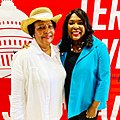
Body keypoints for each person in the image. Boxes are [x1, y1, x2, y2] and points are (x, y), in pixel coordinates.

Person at [10, 7, 66, 120]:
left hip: (55, 116)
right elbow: (17, 98)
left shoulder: (58, 53)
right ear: (33, 32)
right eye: (41, 27)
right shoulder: (23, 57)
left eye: (50, 26)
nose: (47, 31)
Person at [59, 8, 110, 120]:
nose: (75, 26)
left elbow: (104, 80)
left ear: (86, 26)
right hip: (70, 103)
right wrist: (30, 48)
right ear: (66, 27)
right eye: (71, 23)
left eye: (80, 23)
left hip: (87, 107)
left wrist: (94, 106)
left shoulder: (99, 48)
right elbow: (45, 55)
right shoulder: (63, 46)